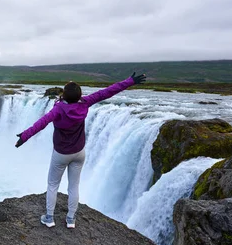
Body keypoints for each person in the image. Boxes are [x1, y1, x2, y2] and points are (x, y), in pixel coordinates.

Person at [15, 72, 147, 229]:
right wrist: (130, 81)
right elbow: (108, 91)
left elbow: (41, 123)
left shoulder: (58, 110)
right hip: (79, 153)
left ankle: (49, 218)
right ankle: (71, 220)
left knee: (52, 184)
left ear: (64, 95)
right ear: (79, 95)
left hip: (61, 153)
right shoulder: (85, 103)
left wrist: (24, 136)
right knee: (74, 185)